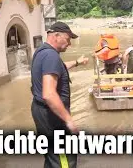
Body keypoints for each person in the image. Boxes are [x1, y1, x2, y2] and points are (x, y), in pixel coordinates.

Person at [30, 21, 89, 168]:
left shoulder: (42, 51)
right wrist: (68, 120)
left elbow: (58, 68)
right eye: (68, 39)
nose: (69, 44)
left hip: (41, 112)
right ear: (56, 35)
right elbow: (49, 94)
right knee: (64, 161)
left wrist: (77, 62)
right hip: (52, 116)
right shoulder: (52, 56)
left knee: (52, 156)